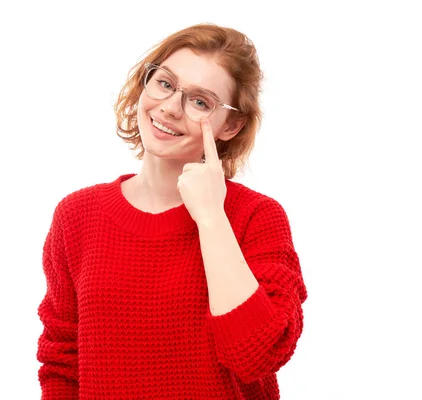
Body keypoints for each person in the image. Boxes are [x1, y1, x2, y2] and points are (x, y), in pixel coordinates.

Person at [36, 23, 308, 399]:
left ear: (230, 125)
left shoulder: (257, 217)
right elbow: (62, 362)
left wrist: (211, 216)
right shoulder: (77, 216)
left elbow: (256, 355)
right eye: (165, 83)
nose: (169, 108)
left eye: (200, 101)